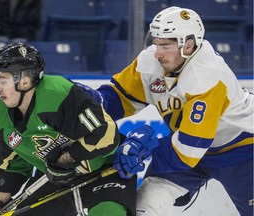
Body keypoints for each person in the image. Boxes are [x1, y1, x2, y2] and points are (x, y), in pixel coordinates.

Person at [76, 6, 254, 216]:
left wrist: (143, 148)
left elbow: (188, 149)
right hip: (188, 147)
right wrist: (88, 103)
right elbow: (119, 98)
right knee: (144, 206)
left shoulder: (208, 77)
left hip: (243, 150)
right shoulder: (153, 60)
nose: (158, 52)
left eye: (166, 45)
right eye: (156, 42)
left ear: (188, 45)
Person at [0, 42, 137, 216]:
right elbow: (11, 166)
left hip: (105, 169)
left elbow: (105, 134)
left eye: (2, 80)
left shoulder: (57, 93)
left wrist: (66, 160)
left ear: (25, 79)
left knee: (107, 213)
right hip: (55, 179)